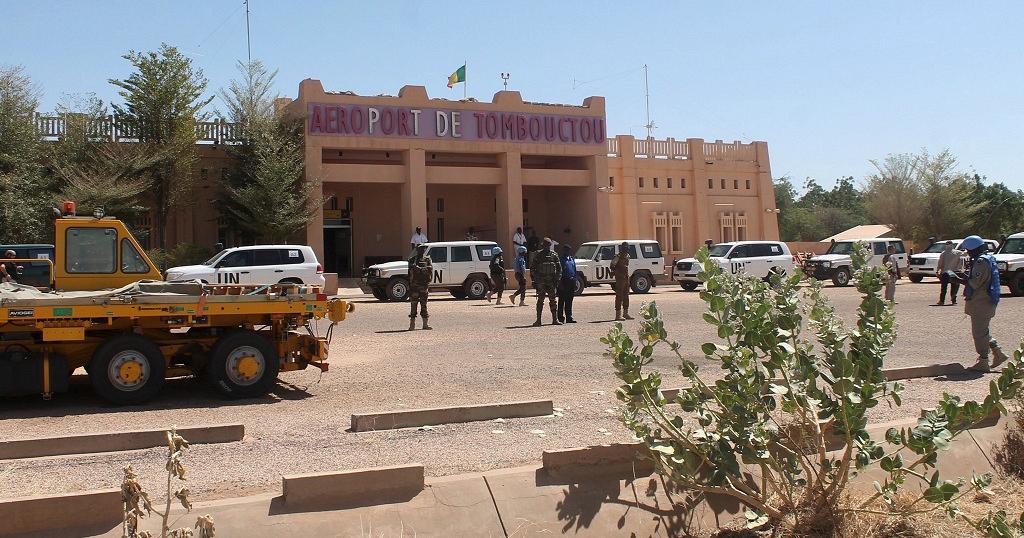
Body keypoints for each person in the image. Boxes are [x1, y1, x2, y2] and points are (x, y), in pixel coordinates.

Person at [958, 235, 1009, 371]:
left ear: (974, 249)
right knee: (983, 331)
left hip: (981, 302)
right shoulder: (987, 259)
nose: (968, 253)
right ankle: (998, 353)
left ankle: (983, 361)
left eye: (969, 250)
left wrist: (957, 279)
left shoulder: (980, 262)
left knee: (979, 333)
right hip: (986, 302)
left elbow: (974, 283)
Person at [531, 237, 562, 326]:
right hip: (541, 282)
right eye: (545, 245)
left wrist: (557, 279)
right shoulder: (538, 255)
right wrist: (534, 280)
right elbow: (533, 268)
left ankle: (555, 319)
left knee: (553, 300)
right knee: (540, 301)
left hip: (552, 282)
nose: (546, 247)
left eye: (548, 245)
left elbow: (559, 269)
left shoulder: (554, 255)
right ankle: (538, 320)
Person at [407, 244, 432, 330]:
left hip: (424, 286)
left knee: (424, 304)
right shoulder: (412, 260)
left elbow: (430, 269)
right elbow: (409, 273)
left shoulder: (427, 259)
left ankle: (425, 324)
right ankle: (412, 324)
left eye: (423, 249)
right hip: (414, 286)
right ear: (417, 250)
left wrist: (420, 269)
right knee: (413, 304)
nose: (422, 250)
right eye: (420, 249)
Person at [935, 241, 963, 306]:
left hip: (945, 272)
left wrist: (937, 271)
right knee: (954, 287)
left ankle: (942, 301)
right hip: (954, 272)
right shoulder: (958, 253)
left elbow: (940, 263)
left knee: (944, 288)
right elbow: (962, 259)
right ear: (952, 245)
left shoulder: (943, 253)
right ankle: (953, 300)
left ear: (946, 245)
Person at [611, 242, 633, 321]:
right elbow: (612, 265)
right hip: (620, 278)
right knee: (619, 295)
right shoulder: (618, 256)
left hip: (626, 277)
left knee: (626, 295)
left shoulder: (628, 256)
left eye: (627, 248)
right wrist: (617, 272)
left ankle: (625, 313)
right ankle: (618, 315)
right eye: (625, 248)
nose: (626, 249)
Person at [556, 244, 577, 323]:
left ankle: (569, 317)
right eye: (565, 250)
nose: (567, 252)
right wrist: (560, 283)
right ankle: (560, 317)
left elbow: (574, 270)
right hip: (564, 281)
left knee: (569, 300)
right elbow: (559, 272)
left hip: (571, 281)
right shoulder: (561, 259)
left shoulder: (571, 259)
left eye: (568, 250)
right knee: (562, 300)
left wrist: (575, 281)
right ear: (563, 250)